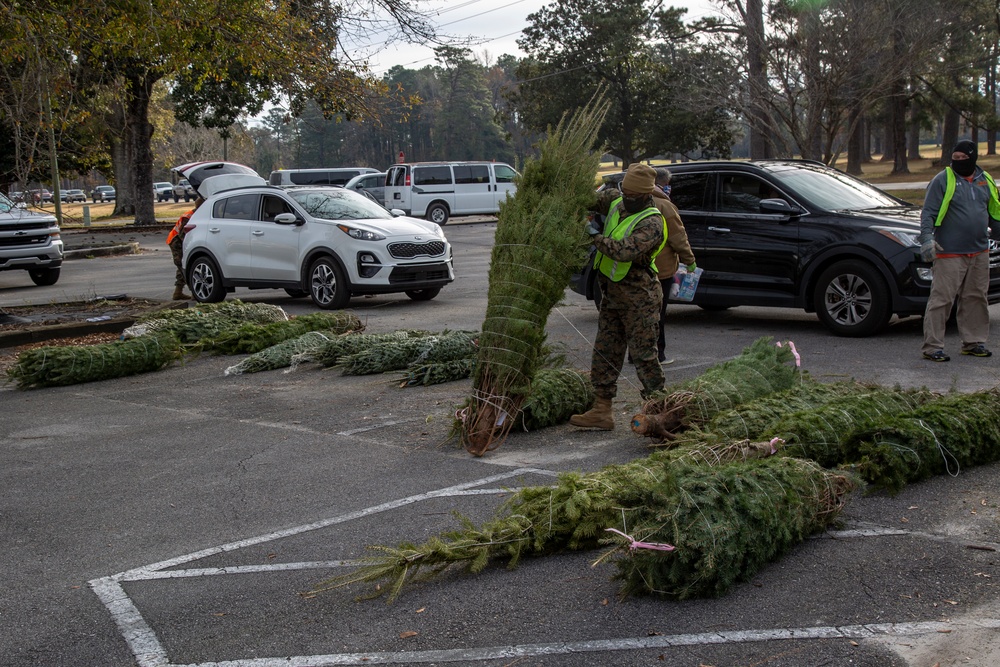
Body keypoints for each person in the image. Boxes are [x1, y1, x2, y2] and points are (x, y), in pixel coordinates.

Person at [570, 163, 667, 430]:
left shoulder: (652, 221)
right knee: (605, 352)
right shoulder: (617, 201)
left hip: (640, 298)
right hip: (611, 296)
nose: (627, 199)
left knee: (644, 356)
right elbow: (590, 199)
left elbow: (623, 251)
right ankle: (602, 411)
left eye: (633, 197)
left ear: (647, 196)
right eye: (625, 194)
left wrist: (594, 235)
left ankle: (660, 411)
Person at [919, 140, 1000, 361]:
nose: (959, 163)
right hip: (949, 252)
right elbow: (928, 213)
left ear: (973, 158)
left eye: (964, 159)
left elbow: (995, 212)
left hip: (979, 251)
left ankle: (973, 343)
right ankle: (932, 346)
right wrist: (926, 239)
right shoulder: (942, 180)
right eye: (955, 159)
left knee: (976, 297)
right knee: (942, 299)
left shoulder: (986, 180)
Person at [652, 167, 696, 363]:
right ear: (664, 185)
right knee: (658, 313)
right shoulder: (665, 206)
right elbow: (678, 238)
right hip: (661, 270)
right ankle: (658, 353)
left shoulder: (631, 202)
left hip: (634, 268)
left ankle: (635, 354)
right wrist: (690, 261)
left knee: (640, 314)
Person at [166, 196, 204, 300]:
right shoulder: (190, 217)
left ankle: (178, 292)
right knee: (184, 268)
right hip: (176, 243)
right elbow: (184, 236)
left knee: (182, 267)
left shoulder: (194, 214)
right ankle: (195, 293)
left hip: (180, 242)